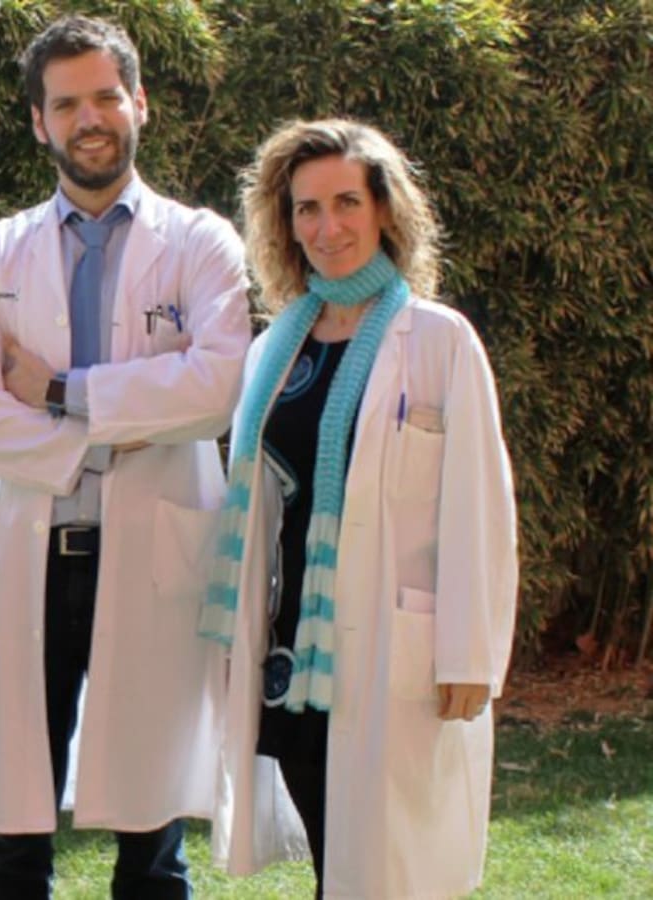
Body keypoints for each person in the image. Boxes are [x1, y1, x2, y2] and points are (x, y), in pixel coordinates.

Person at [0, 15, 252, 900]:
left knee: (152, 842)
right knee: (12, 839)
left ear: (140, 103)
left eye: (107, 96)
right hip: (28, 555)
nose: (90, 118)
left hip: (149, 558)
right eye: (67, 103)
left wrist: (54, 390)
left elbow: (216, 392)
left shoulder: (201, 243)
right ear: (39, 122)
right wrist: (130, 417)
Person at [201, 118, 518, 898]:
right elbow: (258, 504)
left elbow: (480, 508)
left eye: (347, 202)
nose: (328, 227)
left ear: (384, 210)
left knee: (386, 869)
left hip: (392, 646)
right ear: (285, 224)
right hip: (293, 654)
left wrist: (470, 656)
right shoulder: (276, 350)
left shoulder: (439, 341)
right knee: (332, 856)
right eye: (307, 208)